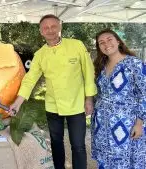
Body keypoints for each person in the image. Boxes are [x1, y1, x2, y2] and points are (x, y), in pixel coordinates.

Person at [9, 14, 97, 169]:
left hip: (76, 104)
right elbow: (30, 80)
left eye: (53, 26)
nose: (50, 30)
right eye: (45, 27)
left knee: (78, 145)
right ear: (41, 31)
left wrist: (89, 99)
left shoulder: (76, 45)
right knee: (56, 143)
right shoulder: (40, 54)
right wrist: (17, 103)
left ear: (60, 27)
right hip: (52, 105)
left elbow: (88, 73)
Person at [92, 29, 146, 168]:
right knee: (105, 158)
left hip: (125, 123)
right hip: (102, 123)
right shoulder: (100, 66)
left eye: (109, 39)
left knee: (124, 159)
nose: (106, 44)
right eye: (101, 42)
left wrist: (139, 123)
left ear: (118, 41)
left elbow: (144, 94)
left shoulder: (135, 64)